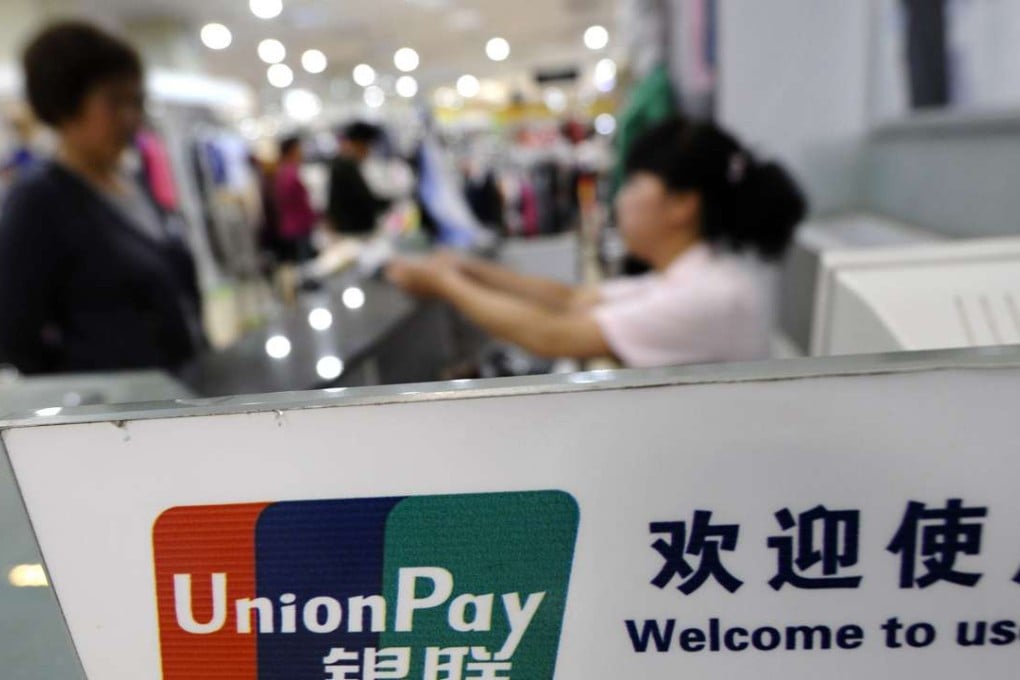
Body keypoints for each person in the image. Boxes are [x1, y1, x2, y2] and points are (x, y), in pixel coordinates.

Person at [387, 116, 807, 369]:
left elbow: (552, 334)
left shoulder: (709, 295)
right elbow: (573, 299)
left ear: (681, 204)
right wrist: (467, 268)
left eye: (633, 184)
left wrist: (447, 284)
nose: (619, 200)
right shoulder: (692, 277)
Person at [0, 22, 205, 375]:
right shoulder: (38, 200)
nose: (131, 118)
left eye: (136, 101)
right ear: (65, 105)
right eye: (114, 101)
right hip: (121, 416)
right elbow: (15, 336)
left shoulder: (132, 179)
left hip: (183, 391)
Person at [327, 121, 387, 235]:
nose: (369, 152)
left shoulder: (344, 163)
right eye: (368, 146)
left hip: (351, 230)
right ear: (360, 144)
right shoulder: (346, 166)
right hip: (354, 231)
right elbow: (365, 200)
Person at [273, 136, 318, 265]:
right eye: (299, 148)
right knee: (306, 265)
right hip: (299, 225)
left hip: (295, 224)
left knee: (304, 262)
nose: (302, 152)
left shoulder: (284, 171)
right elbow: (300, 202)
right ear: (292, 150)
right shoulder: (290, 173)